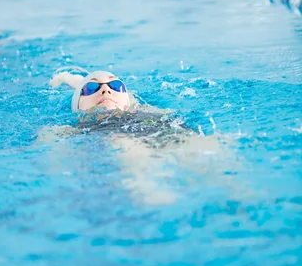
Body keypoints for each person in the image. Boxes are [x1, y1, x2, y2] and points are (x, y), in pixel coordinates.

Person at [44, 68, 238, 206]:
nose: (106, 90)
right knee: (126, 146)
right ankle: (149, 190)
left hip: (163, 126)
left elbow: (84, 84)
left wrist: (70, 78)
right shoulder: (80, 126)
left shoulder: (138, 106)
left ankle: (239, 190)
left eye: (115, 85)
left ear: (126, 95)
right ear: (78, 104)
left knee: (210, 148)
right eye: (92, 89)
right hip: (119, 135)